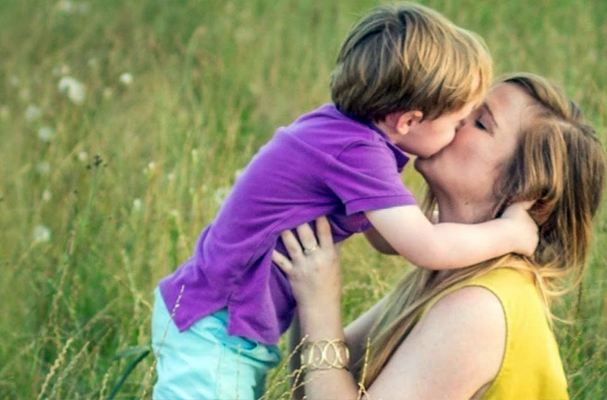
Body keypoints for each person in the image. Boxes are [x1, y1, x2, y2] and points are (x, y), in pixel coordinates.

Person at [151, 4, 539, 399]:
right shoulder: (356, 152)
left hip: (225, 325)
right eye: (458, 123)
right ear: (407, 121)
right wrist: (508, 233)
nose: (459, 133)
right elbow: (424, 247)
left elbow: (386, 237)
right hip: (216, 325)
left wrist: (446, 228)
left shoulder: (344, 135)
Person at [275, 73, 606, 400]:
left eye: (481, 123)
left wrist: (319, 303)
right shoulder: (455, 269)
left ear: (525, 190)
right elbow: (314, 385)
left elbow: (323, 375)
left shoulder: (479, 307)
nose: (457, 115)